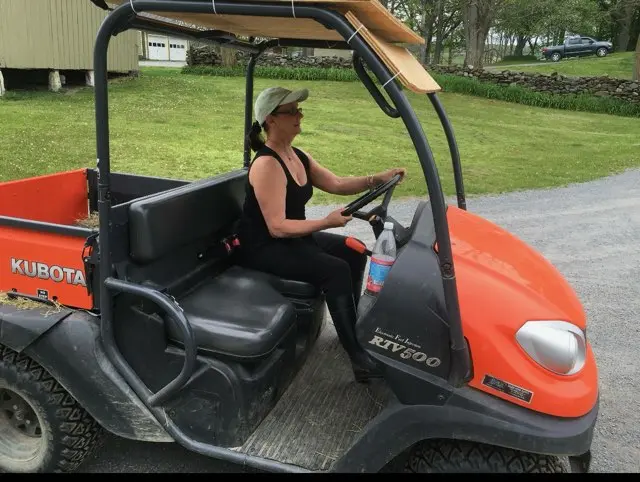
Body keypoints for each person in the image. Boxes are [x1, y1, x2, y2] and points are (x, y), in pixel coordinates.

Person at [237, 86, 405, 383]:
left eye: (299, 109)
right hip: (265, 247)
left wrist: (376, 179)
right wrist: (326, 222)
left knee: (353, 250)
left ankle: (351, 328)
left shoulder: (298, 155)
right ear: (271, 120)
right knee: (335, 270)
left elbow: (336, 183)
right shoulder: (266, 165)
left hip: (293, 238)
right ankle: (359, 358)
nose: (299, 115)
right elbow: (277, 226)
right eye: (291, 111)